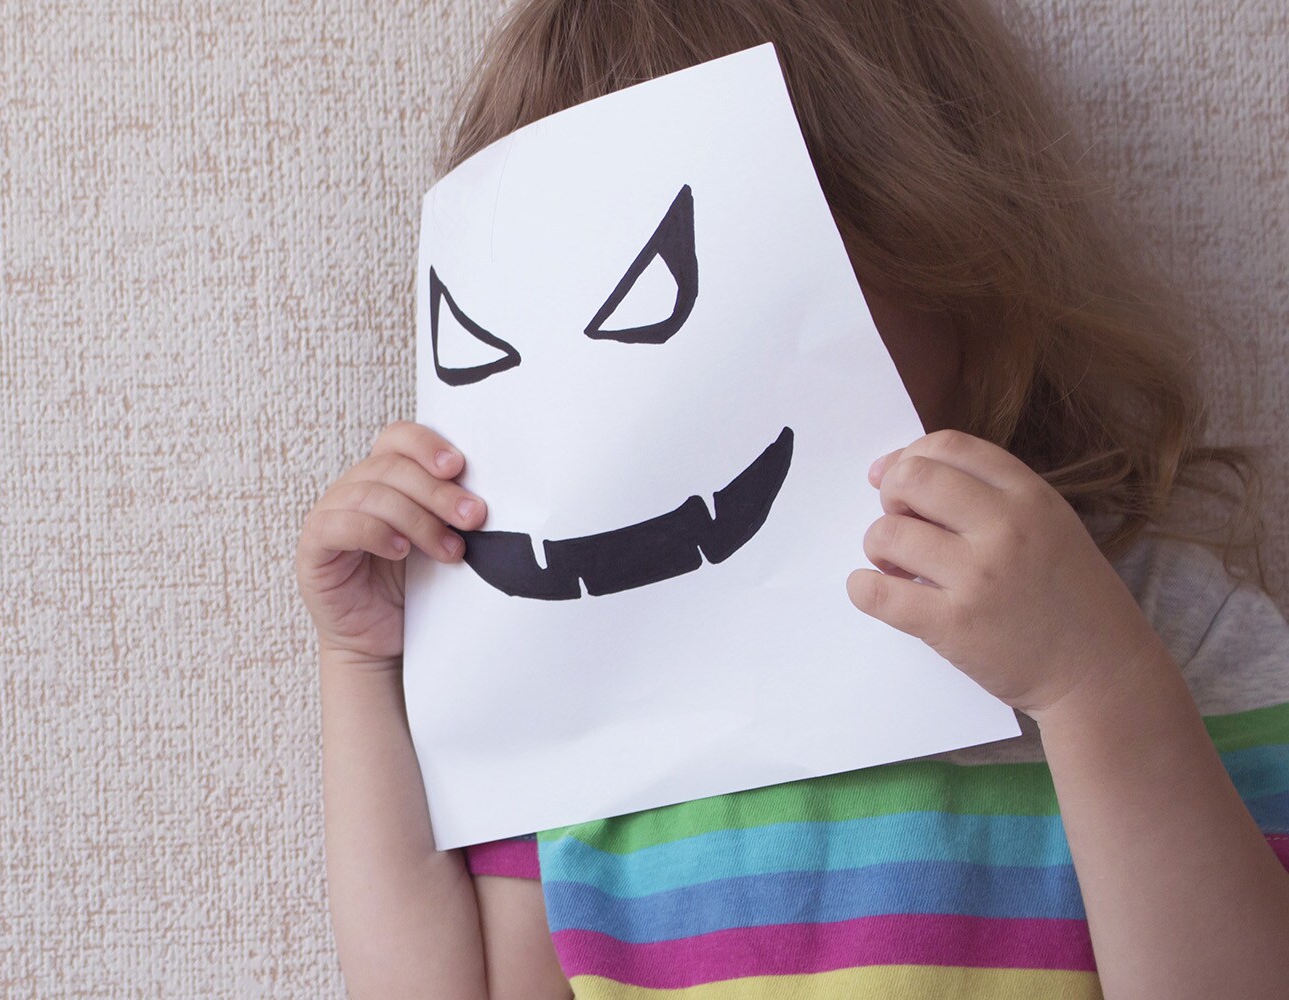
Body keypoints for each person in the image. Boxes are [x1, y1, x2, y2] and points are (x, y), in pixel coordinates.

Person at [294, 0, 1289, 997]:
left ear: (936, 248)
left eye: (673, 294)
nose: (644, 397)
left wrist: (1092, 685)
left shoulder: (1149, 621)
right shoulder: (572, 688)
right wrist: (361, 663)